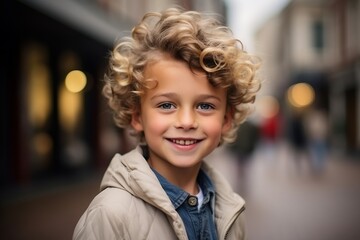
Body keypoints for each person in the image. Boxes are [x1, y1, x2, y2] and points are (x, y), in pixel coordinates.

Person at [73, 7, 261, 240]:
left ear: (226, 119)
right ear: (137, 116)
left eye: (205, 106)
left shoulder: (230, 209)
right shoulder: (110, 215)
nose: (186, 122)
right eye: (166, 105)